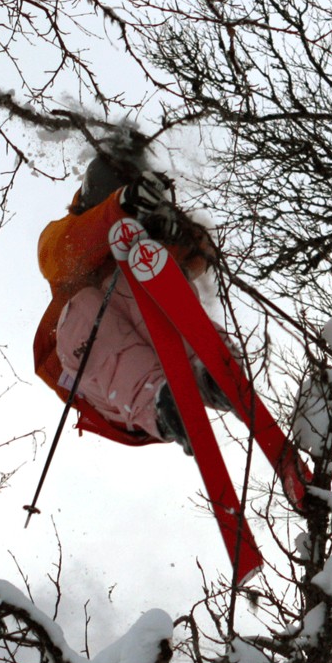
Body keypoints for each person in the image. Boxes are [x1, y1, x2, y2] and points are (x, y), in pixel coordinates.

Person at [31, 152, 231, 453]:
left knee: (145, 273)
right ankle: (158, 401)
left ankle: (209, 368)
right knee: (83, 307)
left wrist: (172, 231)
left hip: (164, 353)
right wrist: (118, 209)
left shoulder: (140, 253)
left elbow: (199, 252)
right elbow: (66, 249)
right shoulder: (64, 237)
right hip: (105, 387)